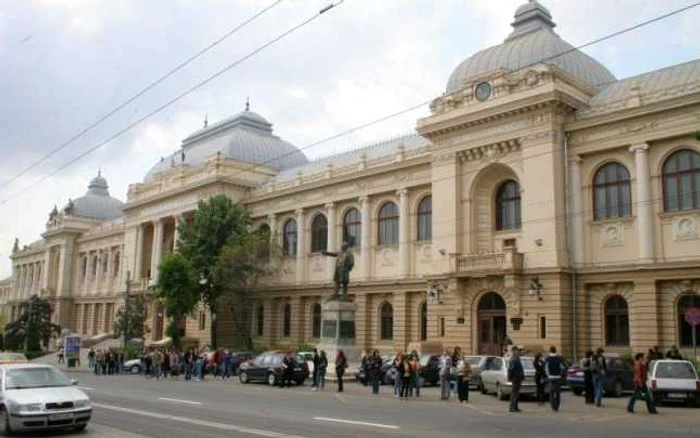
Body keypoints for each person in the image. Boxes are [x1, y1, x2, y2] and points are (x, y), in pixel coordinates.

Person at [544, 345, 564, 412]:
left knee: (551, 392)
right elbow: (562, 367)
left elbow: (546, 368)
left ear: (550, 350)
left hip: (551, 377)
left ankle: (553, 406)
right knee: (558, 393)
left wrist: (548, 375)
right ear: (555, 351)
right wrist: (560, 374)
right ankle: (557, 406)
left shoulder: (547, 359)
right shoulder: (559, 358)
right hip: (558, 377)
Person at [507, 347, 524, 413]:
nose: (518, 352)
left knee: (517, 393)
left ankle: (516, 407)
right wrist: (510, 377)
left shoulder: (517, 358)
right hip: (515, 378)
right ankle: (512, 407)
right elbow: (511, 369)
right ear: (514, 351)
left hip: (518, 377)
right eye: (517, 350)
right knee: (514, 393)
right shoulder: (514, 359)